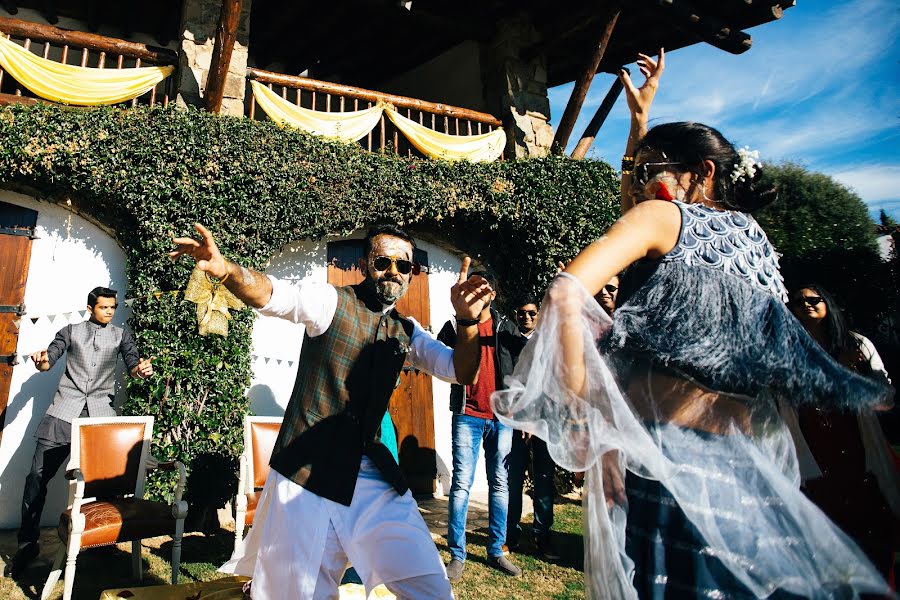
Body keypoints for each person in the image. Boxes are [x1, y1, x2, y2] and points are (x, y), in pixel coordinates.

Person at [491, 49, 894, 598]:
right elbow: (632, 212)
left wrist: (590, 414)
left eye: (648, 169)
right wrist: (640, 125)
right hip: (735, 468)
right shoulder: (758, 243)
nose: (636, 182)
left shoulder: (664, 217)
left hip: (673, 460)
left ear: (700, 172)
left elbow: (566, 289)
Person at [172, 223, 492, 599]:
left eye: (403, 266)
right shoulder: (329, 302)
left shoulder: (409, 331)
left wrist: (468, 322)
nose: (393, 271)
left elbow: (460, 371)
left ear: (411, 274)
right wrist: (226, 270)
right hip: (304, 479)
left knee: (431, 588)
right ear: (364, 264)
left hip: (372, 479)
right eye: (383, 261)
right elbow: (273, 294)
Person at [8, 286, 154, 578]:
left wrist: (141, 370)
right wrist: (42, 362)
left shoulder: (120, 335)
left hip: (100, 415)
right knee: (37, 477)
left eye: (113, 307)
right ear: (90, 308)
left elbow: (133, 363)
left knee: (108, 483)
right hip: (63, 413)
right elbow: (50, 357)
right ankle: (27, 545)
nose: (110, 312)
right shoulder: (70, 330)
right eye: (104, 308)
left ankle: (103, 543)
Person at [787, 284, 899, 582]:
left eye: (814, 300)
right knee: (826, 529)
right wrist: (839, 370)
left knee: (872, 528)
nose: (807, 305)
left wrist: (852, 372)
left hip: (857, 441)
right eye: (798, 302)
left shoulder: (856, 344)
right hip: (813, 443)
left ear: (828, 304)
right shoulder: (787, 347)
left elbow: (884, 395)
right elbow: (792, 392)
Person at [437, 272, 525, 581]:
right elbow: (440, 359)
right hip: (467, 415)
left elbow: (526, 359)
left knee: (499, 484)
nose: (477, 292)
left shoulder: (506, 327)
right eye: (471, 286)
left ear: (493, 294)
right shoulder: (453, 326)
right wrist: (463, 321)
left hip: (501, 419)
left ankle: (496, 550)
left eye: (483, 287)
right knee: (461, 485)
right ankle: (457, 555)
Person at [506, 297, 561, 561]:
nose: (526, 317)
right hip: (515, 423)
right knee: (513, 480)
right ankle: (511, 536)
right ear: (516, 315)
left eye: (531, 313)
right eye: (521, 313)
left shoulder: (548, 342)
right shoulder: (507, 341)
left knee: (543, 480)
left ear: (538, 315)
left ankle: (543, 537)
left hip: (544, 422)